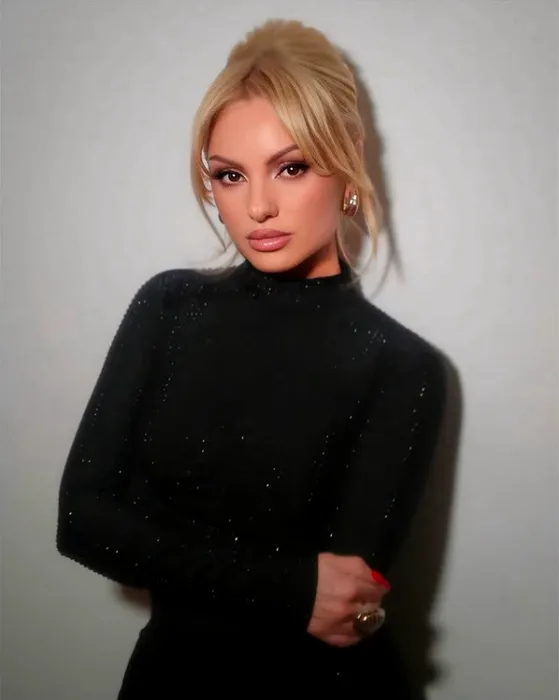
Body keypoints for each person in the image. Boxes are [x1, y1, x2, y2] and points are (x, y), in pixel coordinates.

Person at [56, 18, 446, 697]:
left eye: (290, 168)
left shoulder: (399, 365)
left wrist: (168, 553)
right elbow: (81, 522)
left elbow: (343, 606)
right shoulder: (169, 308)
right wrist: (291, 585)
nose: (258, 206)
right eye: (230, 176)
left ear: (346, 164)